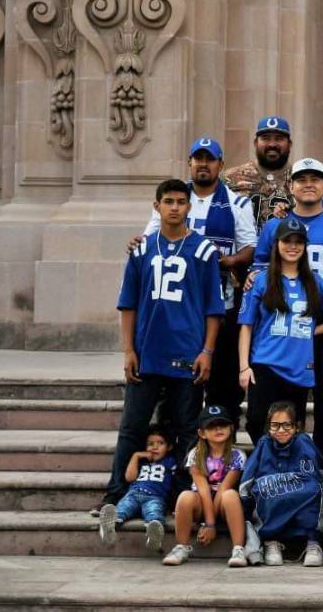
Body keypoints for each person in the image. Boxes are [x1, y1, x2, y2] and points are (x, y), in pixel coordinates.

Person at [99, 180, 224, 515]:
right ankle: (115, 494)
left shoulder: (203, 250)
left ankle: (181, 496)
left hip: (187, 354)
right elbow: (128, 304)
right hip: (148, 354)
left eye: (181, 202)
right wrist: (128, 349)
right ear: (156, 206)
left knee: (187, 429)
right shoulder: (141, 249)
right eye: (168, 201)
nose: (174, 207)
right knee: (132, 427)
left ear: (189, 207)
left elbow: (214, 308)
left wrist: (207, 351)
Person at [131, 137, 257, 433]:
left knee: (222, 386)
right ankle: (168, 449)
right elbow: (150, 238)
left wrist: (226, 262)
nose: (203, 164)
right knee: (173, 386)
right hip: (176, 308)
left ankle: (218, 452)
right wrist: (137, 244)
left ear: (220, 165)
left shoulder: (237, 203)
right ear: (189, 163)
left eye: (209, 159)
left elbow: (250, 247)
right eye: (197, 159)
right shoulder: (175, 199)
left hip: (220, 302)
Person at [251, 157, 323, 454]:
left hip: (322, 319)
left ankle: (320, 455)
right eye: (302, 179)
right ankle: (273, 453)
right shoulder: (275, 226)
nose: (309, 184)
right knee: (281, 394)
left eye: (315, 179)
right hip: (284, 320)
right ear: (290, 186)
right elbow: (259, 265)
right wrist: (252, 280)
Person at [239, 217, 323, 447]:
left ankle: (284, 471)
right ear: (276, 244)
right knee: (256, 421)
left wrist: (311, 331)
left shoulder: (315, 282)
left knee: (290, 427)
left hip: (299, 368)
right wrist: (244, 366)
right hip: (265, 363)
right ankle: (266, 464)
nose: (292, 246)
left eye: (298, 241)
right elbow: (246, 326)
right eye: (287, 240)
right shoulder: (262, 280)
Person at [239, 401, 323, 567]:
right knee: (262, 489)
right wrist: (244, 509)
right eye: (275, 425)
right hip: (273, 496)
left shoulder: (304, 442)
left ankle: (313, 543)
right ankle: (270, 541)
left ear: (297, 427)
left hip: (302, 497)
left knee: (313, 489)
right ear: (268, 426)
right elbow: (247, 480)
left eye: (287, 425)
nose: (280, 430)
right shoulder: (264, 444)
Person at [163, 406, 248, 566]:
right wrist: (208, 523)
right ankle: (181, 546)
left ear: (231, 428)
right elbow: (203, 491)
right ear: (202, 433)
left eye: (222, 424)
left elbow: (223, 489)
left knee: (230, 494)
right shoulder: (195, 454)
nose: (218, 428)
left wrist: (211, 524)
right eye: (211, 426)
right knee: (185, 496)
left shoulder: (238, 455)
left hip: (223, 506)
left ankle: (238, 548)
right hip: (201, 503)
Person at [97, 424, 174, 552]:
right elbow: (129, 477)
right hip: (133, 494)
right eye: (150, 443)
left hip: (154, 496)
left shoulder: (170, 461)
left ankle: (154, 533)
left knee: (153, 512)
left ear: (169, 447)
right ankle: (109, 527)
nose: (154, 447)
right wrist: (136, 456)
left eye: (160, 443)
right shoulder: (142, 462)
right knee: (123, 508)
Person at [224, 116, 294, 226]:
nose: (272, 144)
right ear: (255, 143)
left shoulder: (301, 179)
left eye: (279, 138)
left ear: (289, 144)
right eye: (266, 138)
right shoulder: (231, 178)